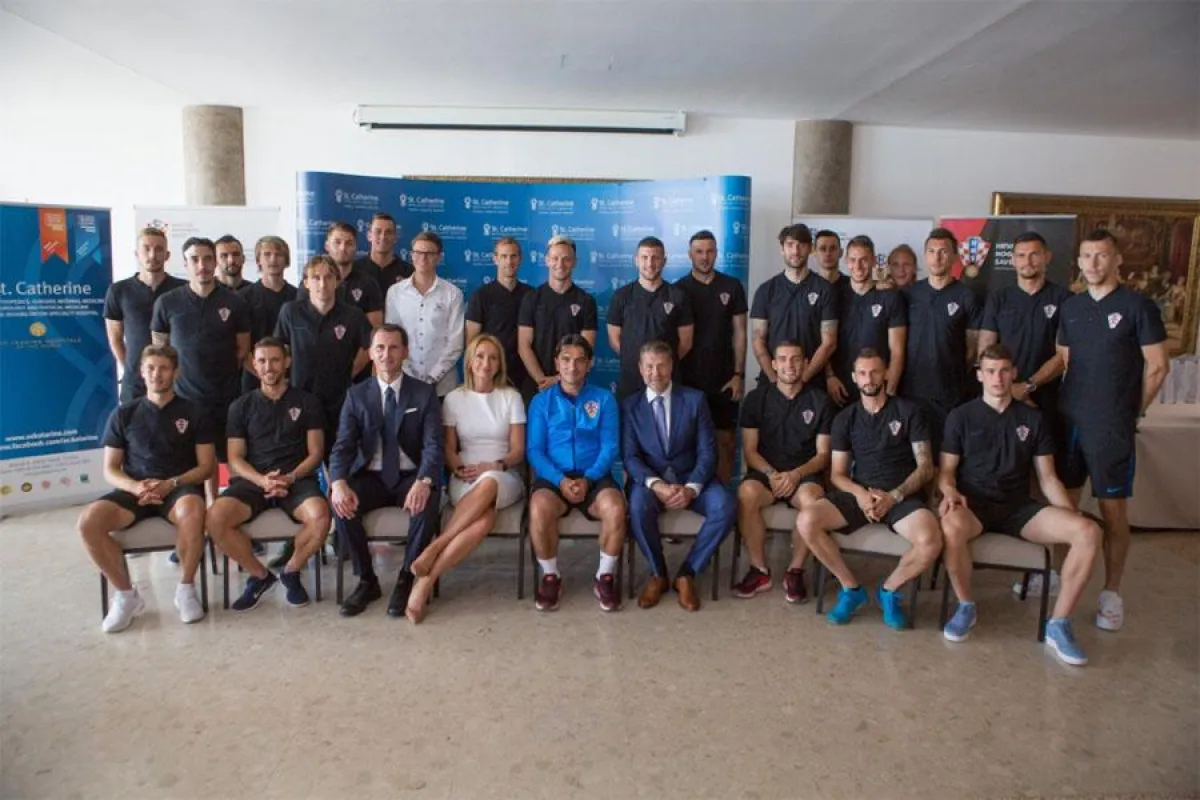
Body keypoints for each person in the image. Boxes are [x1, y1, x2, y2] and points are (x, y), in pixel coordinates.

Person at [937, 344, 1101, 665]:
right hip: (974, 506)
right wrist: (948, 492)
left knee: (1088, 532)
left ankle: (1059, 624)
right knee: (950, 525)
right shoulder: (961, 416)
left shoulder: (1033, 419)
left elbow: (1049, 478)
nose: (997, 378)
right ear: (980, 375)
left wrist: (1071, 513)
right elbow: (945, 473)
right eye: (990, 371)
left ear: (1013, 373)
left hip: (1018, 508)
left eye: (1003, 371)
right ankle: (966, 605)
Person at [1057, 229, 1170, 632]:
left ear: (1117, 260)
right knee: (1063, 506)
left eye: (1101, 256)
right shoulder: (1071, 308)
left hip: (1112, 428)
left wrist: (1131, 411)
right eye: (1086, 256)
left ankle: (1111, 592)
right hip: (1070, 420)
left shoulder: (1139, 307)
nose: (1093, 264)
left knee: (1112, 510)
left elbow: (1157, 366)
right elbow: (1067, 360)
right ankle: (1057, 576)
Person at [795, 348, 942, 629]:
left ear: (885, 372)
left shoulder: (909, 412)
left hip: (901, 496)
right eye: (862, 373)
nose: (869, 378)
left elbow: (925, 467)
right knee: (806, 520)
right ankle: (851, 589)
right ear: (854, 377)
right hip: (859, 494)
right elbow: (837, 474)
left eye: (874, 371)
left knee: (931, 540)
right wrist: (861, 495)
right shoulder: (845, 419)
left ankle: (889, 591)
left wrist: (894, 496)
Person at [77, 345, 214, 632]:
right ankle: (126, 596)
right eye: (150, 368)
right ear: (141, 371)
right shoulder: (124, 414)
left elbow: (206, 467)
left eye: (164, 368)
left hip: (177, 488)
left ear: (176, 372)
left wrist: (171, 484)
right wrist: (135, 486)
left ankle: (186, 589)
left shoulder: (193, 411)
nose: (157, 374)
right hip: (134, 490)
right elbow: (110, 469)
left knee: (194, 509)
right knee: (88, 522)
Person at [405, 334, 527, 622]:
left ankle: (435, 548)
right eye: (480, 356)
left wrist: (494, 464)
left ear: (499, 364)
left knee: (490, 482)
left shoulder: (511, 396)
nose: (486, 363)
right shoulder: (455, 399)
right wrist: (457, 466)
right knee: (484, 521)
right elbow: (447, 447)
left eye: (493, 357)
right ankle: (426, 581)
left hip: (504, 475)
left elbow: (519, 450)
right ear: (470, 361)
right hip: (465, 477)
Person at [977, 231, 1073, 595]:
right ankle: (1017, 558)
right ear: (1012, 260)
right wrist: (998, 388)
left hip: (1046, 404)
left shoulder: (1063, 299)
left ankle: (1048, 568)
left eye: (1034, 255)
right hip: (1000, 401)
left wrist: (1028, 387)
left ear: (1047, 257)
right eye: (1020, 256)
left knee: (1044, 484)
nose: (1027, 262)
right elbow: (986, 346)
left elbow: (1065, 354)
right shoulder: (999, 298)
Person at [206, 338, 331, 612]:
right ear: (254, 364)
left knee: (321, 516)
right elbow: (235, 458)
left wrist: (290, 478)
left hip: (296, 481)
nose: (268, 367)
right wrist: (262, 480)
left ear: (287, 362)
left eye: (275, 360)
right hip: (252, 482)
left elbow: (316, 453)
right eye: (262, 361)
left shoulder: (307, 402)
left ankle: (291, 571)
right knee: (215, 518)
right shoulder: (240, 406)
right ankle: (260, 576)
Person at [328, 324, 443, 618]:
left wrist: (424, 480)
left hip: (410, 475)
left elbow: (433, 445)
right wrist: (338, 482)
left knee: (427, 502)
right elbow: (343, 445)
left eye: (393, 347)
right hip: (371, 476)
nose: (386, 354)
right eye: (380, 348)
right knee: (341, 503)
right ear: (370, 354)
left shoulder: (424, 393)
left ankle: (406, 577)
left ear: (405, 352)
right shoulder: (356, 395)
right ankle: (367, 580)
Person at [622, 341, 735, 612]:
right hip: (652, 482)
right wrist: (657, 484)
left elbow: (708, 452)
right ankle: (658, 573)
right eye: (649, 366)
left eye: (661, 365)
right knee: (637, 506)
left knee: (726, 505)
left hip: (691, 478)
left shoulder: (695, 400)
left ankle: (687, 573)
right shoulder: (629, 406)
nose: (655, 373)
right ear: (640, 369)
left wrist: (691, 488)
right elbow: (630, 457)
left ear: (672, 367)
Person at [526, 334, 625, 612]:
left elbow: (610, 446)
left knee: (616, 508)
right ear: (556, 362)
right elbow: (535, 450)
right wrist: (560, 480)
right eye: (566, 359)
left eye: (580, 360)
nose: (572, 367)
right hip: (554, 476)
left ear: (590, 364)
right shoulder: (541, 402)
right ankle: (550, 575)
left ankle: (604, 576)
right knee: (538, 508)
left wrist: (589, 478)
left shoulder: (604, 399)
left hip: (594, 476)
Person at [151, 236, 251, 503]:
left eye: (208, 258)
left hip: (227, 399)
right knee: (192, 469)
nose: (202, 265)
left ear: (216, 262)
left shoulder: (234, 302)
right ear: (185, 264)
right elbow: (160, 352)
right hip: (185, 401)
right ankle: (198, 528)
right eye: (195, 259)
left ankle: (231, 522)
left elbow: (242, 350)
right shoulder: (167, 303)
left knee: (233, 464)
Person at [733, 341, 833, 603]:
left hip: (804, 475)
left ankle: (795, 571)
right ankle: (759, 570)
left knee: (813, 502)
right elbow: (750, 451)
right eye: (783, 359)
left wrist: (795, 475)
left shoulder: (820, 401)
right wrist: (773, 474)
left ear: (806, 363)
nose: (790, 365)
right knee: (746, 494)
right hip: (766, 472)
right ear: (774, 364)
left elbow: (823, 455)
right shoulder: (756, 399)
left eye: (796, 359)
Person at [275, 255, 372, 459]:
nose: (322, 283)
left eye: (328, 277)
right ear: (306, 283)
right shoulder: (290, 312)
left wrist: (349, 372)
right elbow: (280, 348)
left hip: (339, 399)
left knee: (337, 455)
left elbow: (368, 348)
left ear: (337, 281)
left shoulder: (353, 316)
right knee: (299, 456)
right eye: (315, 277)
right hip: (300, 396)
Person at [675, 230, 748, 484]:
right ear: (690, 255)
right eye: (699, 252)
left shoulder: (732, 286)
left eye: (709, 251)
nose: (704, 257)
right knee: (686, 443)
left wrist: (739, 374)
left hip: (724, 379)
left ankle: (722, 499)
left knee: (725, 442)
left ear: (716, 253)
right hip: (687, 380)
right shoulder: (678, 290)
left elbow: (740, 332)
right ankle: (690, 497)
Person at [899, 228, 981, 450]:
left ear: (954, 257)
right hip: (911, 392)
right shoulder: (909, 294)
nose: (937, 257)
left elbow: (972, 349)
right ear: (925, 256)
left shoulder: (966, 296)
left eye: (943, 251)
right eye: (932, 251)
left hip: (950, 394)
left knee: (945, 454)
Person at [750, 224, 838, 388]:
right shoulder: (765, 291)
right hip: (772, 382)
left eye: (801, 245)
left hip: (812, 382)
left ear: (810, 249)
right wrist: (774, 379)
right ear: (782, 249)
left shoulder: (825, 290)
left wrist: (803, 379)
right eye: (790, 245)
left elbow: (829, 342)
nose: (796, 251)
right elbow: (758, 340)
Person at [104, 227, 185, 402]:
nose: (152, 254)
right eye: (146, 248)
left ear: (167, 255)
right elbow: (115, 338)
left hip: (177, 382)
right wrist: (133, 369)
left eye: (158, 249)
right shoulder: (119, 291)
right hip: (135, 384)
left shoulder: (183, 290)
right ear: (136, 253)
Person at [608, 236, 694, 399]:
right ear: (636, 260)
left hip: (667, 381)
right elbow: (614, 339)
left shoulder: (678, 296)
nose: (650, 263)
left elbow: (686, 342)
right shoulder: (621, 296)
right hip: (631, 380)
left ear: (664, 260)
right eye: (645, 257)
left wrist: (661, 365)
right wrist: (641, 364)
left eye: (655, 257)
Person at [826, 235, 907, 406]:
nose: (858, 266)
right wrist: (829, 376)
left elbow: (897, 351)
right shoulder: (833, 296)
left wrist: (890, 390)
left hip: (877, 389)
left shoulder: (890, 297)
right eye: (853, 260)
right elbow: (825, 342)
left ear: (873, 261)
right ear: (846, 261)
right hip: (840, 389)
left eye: (864, 260)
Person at [384, 231, 465, 398]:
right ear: (412, 255)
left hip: (444, 385)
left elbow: (455, 342)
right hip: (405, 380)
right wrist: (410, 374)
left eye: (429, 253)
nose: (423, 257)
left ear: (439, 257)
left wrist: (433, 376)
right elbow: (392, 337)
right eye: (418, 252)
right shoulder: (395, 292)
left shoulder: (453, 294)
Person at [517, 236, 598, 391]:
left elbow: (586, 350)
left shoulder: (586, 301)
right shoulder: (531, 299)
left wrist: (558, 380)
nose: (560, 264)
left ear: (574, 262)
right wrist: (542, 380)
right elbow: (523, 345)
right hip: (536, 385)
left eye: (566, 259)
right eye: (555, 258)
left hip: (573, 386)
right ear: (547, 260)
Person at [465, 237, 534, 400]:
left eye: (513, 256)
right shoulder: (481, 296)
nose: (509, 261)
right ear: (495, 259)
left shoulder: (532, 295)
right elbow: (471, 343)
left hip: (525, 377)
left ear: (520, 259)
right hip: (491, 375)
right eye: (504, 256)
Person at [238, 236, 298, 394]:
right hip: (254, 377)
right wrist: (263, 375)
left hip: (290, 378)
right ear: (258, 260)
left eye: (279, 254)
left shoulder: (298, 297)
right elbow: (240, 346)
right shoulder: (242, 298)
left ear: (286, 260)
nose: (273, 259)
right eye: (267, 254)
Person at [299, 222, 384, 330]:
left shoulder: (368, 283)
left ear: (356, 247)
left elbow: (374, 331)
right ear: (327, 246)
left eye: (349, 243)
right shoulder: (311, 283)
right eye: (337, 242)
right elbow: (301, 324)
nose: (343, 248)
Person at [353, 212, 413, 294]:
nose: (383, 237)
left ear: (395, 237)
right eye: (378, 231)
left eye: (388, 232)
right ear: (369, 236)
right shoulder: (354, 269)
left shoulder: (409, 272)